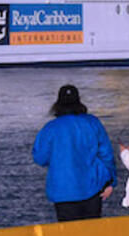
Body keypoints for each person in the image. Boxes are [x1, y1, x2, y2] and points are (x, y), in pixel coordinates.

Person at [32, 85, 117, 221]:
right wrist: (111, 182)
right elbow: (106, 155)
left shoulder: (50, 128)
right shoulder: (92, 123)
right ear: (79, 101)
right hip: (92, 188)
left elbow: (39, 157)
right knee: (92, 235)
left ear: (58, 103)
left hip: (63, 191)